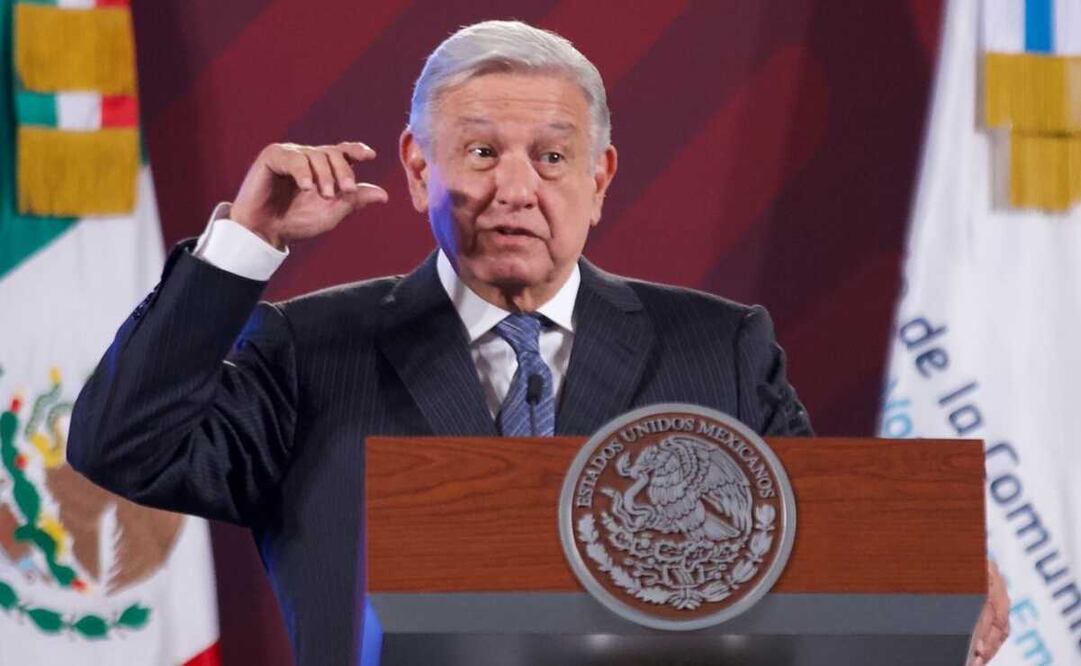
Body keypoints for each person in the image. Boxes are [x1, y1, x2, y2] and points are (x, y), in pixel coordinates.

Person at [68, 20, 1006, 666]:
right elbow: (121, 446)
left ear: (598, 179)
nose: (514, 188)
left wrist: (931, 565)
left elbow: (809, 554)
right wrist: (246, 244)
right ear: (415, 166)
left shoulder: (719, 348)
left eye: (551, 157)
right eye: (479, 153)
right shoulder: (310, 349)